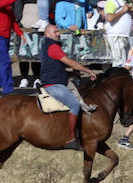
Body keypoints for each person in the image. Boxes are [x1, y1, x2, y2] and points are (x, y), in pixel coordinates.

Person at [39, 23, 99, 151]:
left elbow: (57, 66)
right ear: (47, 34)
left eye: (58, 31)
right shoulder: (53, 47)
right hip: (53, 85)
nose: (58, 34)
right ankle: (71, 138)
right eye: (55, 32)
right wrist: (88, 71)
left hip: (59, 81)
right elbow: (70, 62)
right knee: (74, 105)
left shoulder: (48, 46)